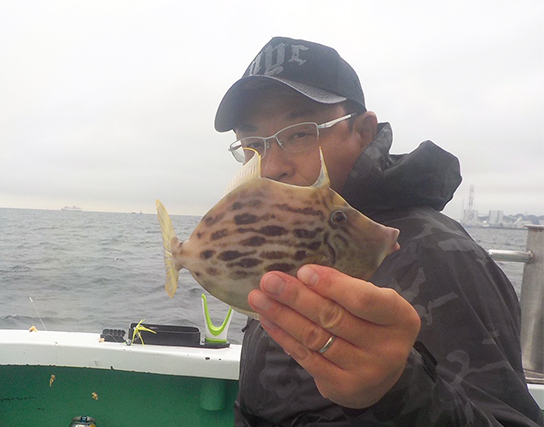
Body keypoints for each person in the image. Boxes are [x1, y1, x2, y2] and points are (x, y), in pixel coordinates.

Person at [214, 37, 544, 426]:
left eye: (300, 133)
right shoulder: (283, 241)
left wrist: (398, 387)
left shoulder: (440, 256)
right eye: (253, 145)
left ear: (363, 131)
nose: (271, 168)